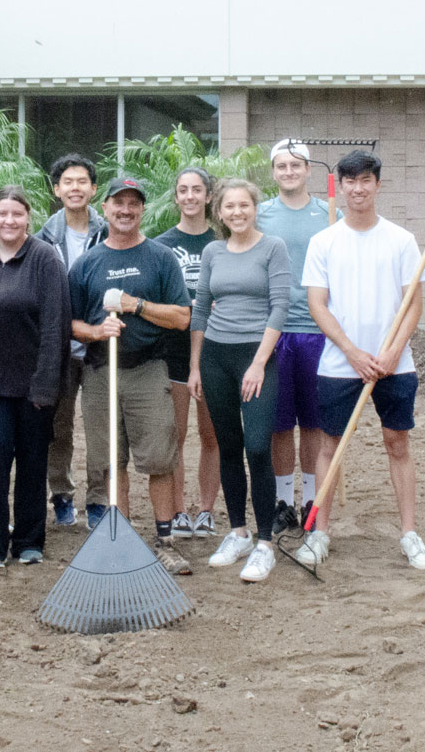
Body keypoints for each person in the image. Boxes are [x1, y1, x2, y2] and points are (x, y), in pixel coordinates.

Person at [301, 150, 425, 570]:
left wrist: (392, 352)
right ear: (340, 186)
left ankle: (410, 533)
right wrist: (354, 353)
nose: (358, 189)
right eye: (350, 181)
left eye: (366, 181)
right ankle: (320, 533)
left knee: (398, 443)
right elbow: (318, 305)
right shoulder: (324, 242)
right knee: (330, 446)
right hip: (340, 364)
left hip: (395, 364)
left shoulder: (401, 240)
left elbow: (413, 305)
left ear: (378, 185)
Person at [68, 176, 194, 574]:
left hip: (147, 369)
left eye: (133, 204)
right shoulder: (87, 263)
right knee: (110, 460)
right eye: (118, 203)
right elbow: (69, 322)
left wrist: (134, 305)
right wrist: (96, 331)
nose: (125, 211)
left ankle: (165, 539)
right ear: (104, 208)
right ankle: (118, 540)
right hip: (101, 371)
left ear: (142, 210)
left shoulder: (159, 258)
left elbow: (182, 317)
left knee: (159, 458)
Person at [187, 179, 292, 582]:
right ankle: (238, 532)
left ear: (254, 208)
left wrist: (259, 362)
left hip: (256, 356)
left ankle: (265, 542)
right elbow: (200, 310)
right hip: (215, 355)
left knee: (257, 446)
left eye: (244, 205)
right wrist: (196, 366)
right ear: (220, 212)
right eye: (229, 206)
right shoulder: (213, 251)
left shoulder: (272, 248)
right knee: (228, 445)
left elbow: (280, 306)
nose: (237, 212)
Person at [0, 186, 70, 570]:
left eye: (17, 214)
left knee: (31, 461)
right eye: (2, 214)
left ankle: (28, 540)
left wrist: (46, 385)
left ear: (29, 218)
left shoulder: (45, 259)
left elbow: (55, 326)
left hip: (34, 383)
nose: (9, 221)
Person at [258, 139, 338, 533]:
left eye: (296, 165)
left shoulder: (330, 214)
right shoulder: (259, 216)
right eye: (281, 166)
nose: (288, 172)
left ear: (308, 170)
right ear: (273, 172)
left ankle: (310, 499)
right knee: (278, 424)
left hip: (316, 331)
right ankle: (280, 501)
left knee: (313, 423)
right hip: (274, 330)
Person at [34, 154, 107, 528]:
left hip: (99, 348)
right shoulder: (42, 238)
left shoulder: (110, 233)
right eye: (67, 182)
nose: (75, 188)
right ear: (56, 189)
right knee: (57, 428)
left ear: (93, 189)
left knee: (100, 429)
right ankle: (60, 493)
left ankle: (98, 499)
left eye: (82, 181)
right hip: (58, 349)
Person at [152, 167, 222, 540]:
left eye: (198, 190)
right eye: (184, 190)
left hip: (217, 350)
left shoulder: (223, 240)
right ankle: (179, 511)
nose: (191, 196)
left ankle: (207, 510)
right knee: (175, 436)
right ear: (176, 197)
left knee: (212, 436)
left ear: (209, 196)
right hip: (174, 352)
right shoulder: (160, 245)